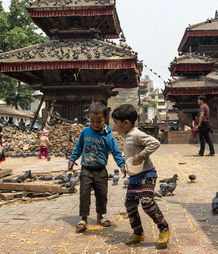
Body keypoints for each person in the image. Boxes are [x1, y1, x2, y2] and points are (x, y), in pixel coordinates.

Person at [111, 104, 170, 249]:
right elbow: (132, 154)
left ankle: (164, 229)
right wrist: (126, 166)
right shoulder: (126, 136)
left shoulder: (136, 134)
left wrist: (141, 155)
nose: (114, 125)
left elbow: (155, 143)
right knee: (130, 205)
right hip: (134, 176)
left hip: (147, 174)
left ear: (125, 123)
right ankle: (138, 232)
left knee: (147, 202)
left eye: (115, 122)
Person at [67, 102, 126, 233]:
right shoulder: (85, 132)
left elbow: (116, 151)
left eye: (99, 121)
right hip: (86, 169)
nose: (95, 124)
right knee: (84, 193)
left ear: (105, 119)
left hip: (101, 170)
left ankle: (100, 217)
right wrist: (72, 160)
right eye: (92, 121)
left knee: (101, 195)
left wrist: (121, 164)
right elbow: (78, 147)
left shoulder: (108, 136)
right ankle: (83, 219)